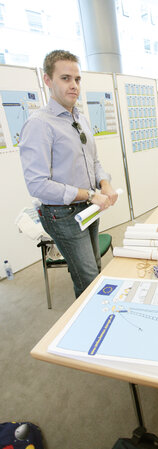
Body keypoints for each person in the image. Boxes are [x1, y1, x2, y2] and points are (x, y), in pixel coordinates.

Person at [19, 50, 118, 298]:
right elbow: (37, 185)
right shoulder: (39, 124)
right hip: (62, 214)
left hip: (88, 207)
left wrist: (104, 183)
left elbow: (93, 161)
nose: (74, 85)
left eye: (77, 79)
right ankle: (92, 328)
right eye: (65, 78)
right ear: (48, 80)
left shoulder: (81, 119)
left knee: (94, 267)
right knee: (87, 277)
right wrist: (90, 193)